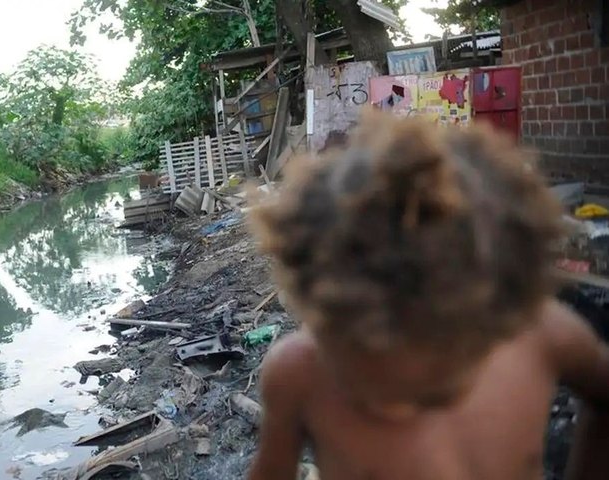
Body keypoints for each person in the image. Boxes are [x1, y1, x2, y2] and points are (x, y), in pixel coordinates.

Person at [247, 110, 609, 480]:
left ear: (495, 323)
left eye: (437, 392)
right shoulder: (298, 375)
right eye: (370, 384)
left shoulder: (541, 334)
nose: (397, 410)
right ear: (317, 316)